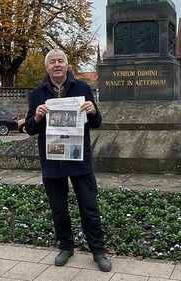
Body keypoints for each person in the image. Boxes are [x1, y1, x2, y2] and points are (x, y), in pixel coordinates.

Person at [23, 49, 111, 272]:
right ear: (47, 67)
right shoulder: (37, 94)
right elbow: (30, 129)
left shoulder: (82, 88)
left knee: (89, 206)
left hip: (78, 158)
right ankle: (66, 246)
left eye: (60, 61)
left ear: (67, 64)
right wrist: (37, 116)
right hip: (52, 159)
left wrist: (93, 112)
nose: (56, 65)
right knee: (58, 208)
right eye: (52, 62)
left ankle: (98, 251)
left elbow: (96, 123)